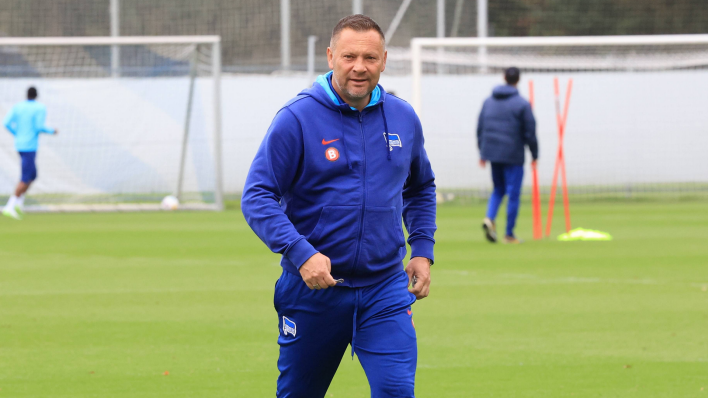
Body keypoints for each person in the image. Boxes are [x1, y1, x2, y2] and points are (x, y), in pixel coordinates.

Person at [241, 14, 436, 398]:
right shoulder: (296, 118)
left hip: (384, 289)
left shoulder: (403, 117)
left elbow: (421, 186)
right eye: (349, 57)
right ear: (330, 57)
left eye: (369, 57)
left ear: (384, 59)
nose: (359, 67)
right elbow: (257, 196)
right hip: (314, 292)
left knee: (396, 391)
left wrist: (423, 249)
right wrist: (301, 253)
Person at [477, 67, 537, 244]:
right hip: (513, 154)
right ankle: (509, 234)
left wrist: (482, 152)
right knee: (513, 194)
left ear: (504, 78)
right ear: (518, 80)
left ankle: (490, 217)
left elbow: (480, 128)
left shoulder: (488, 101)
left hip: (493, 153)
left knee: (498, 189)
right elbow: (530, 132)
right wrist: (535, 154)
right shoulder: (522, 103)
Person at [3, 87, 58, 220]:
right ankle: (9, 206)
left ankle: (19, 203)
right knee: (25, 177)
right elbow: (39, 126)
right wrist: (52, 131)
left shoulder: (18, 107)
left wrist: (18, 134)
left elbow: (6, 123)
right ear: (36, 96)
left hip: (20, 144)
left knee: (33, 175)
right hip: (29, 146)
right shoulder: (39, 108)